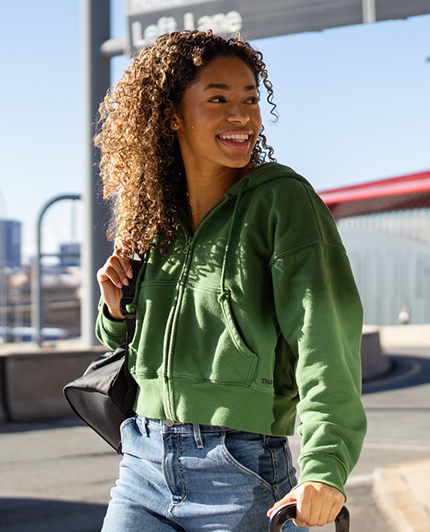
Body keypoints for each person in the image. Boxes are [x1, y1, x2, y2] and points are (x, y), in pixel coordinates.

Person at [94, 30, 367, 531]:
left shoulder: (283, 202)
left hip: (240, 470)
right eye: (218, 99)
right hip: (143, 467)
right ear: (172, 113)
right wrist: (115, 312)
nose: (241, 116)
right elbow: (130, 350)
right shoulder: (155, 216)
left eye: (250, 99)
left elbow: (326, 339)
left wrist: (325, 467)